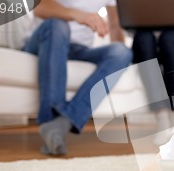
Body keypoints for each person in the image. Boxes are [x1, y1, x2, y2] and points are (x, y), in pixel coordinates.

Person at [22, 0, 133, 155]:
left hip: (80, 49)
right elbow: (40, 7)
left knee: (121, 52)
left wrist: (123, 63)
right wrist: (78, 15)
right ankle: (50, 118)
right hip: (46, 40)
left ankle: (61, 123)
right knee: (57, 25)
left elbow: (114, 25)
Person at [131, 0, 174, 146]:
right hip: (146, 46)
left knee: (169, 37)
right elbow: (128, 25)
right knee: (144, 37)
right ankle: (163, 117)